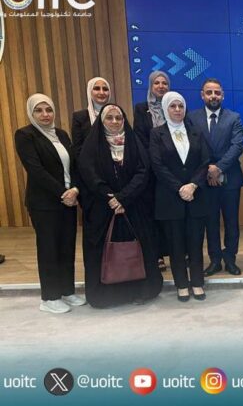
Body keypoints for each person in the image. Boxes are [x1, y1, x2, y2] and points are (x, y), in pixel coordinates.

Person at [78, 104, 163, 307]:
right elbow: (88, 173)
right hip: (103, 208)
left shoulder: (133, 142)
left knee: (140, 249)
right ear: (102, 121)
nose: (115, 122)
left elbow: (143, 171)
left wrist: (123, 197)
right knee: (104, 252)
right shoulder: (92, 145)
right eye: (110, 118)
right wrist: (110, 197)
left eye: (119, 118)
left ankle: (140, 291)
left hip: (133, 206)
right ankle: (108, 296)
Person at [15, 93, 85, 314]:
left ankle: (67, 291)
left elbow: (74, 165)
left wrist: (75, 189)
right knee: (48, 248)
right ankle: (50, 297)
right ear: (31, 113)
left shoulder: (61, 134)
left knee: (66, 247)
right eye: (39, 110)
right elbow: (35, 170)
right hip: (44, 203)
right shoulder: (25, 135)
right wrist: (63, 193)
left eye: (49, 110)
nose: (45, 115)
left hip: (68, 200)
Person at [150, 92, 210, 302]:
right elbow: (157, 165)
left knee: (195, 243)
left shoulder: (196, 132)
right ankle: (182, 284)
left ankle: (197, 282)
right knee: (175, 244)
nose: (177, 110)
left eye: (180, 106)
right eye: (173, 106)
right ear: (166, 109)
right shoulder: (157, 134)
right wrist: (180, 188)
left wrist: (192, 185)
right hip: (170, 197)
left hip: (195, 196)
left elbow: (205, 161)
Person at [186, 78, 243, 277]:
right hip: (204, 180)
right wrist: (207, 170)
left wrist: (218, 168)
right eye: (209, 92)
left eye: (217, 93)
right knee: (210, 222)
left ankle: (230, 259)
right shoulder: (192, 118)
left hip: (229, 178)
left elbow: (237, 146)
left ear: (223, 95)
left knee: (231, 222)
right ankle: (215, 260)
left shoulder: (234, 117)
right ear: (202, 95)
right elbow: (192, 148)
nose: (213, 96)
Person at [133, 70, 171, 271]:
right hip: (151, 172)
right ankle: (157, 255)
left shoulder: (174, 106)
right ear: (150, 86)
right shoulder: (141, 109)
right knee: (153, 214)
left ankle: (176, 251)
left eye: (164, 83)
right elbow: (139, 138)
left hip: (172, 172)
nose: (161, 86)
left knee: (171, 213)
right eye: (157, 83)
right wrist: (155, 162)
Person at [71, 77, 112, 159]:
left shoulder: (116, 115)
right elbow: (78, 149)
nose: (101, 92)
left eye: (105, 89)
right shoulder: (79, 117)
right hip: (89, 164)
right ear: (89, 91)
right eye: (97, 88)